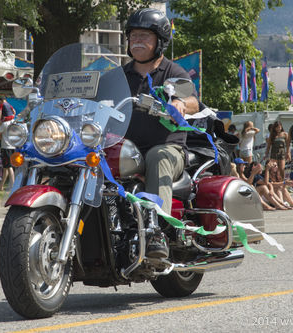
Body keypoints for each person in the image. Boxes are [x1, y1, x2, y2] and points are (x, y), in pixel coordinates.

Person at [123, 8, 199, 258]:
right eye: (133, 35)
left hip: (170, 150)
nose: (137, 41)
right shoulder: (119, 76)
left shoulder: (173, 73)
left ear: (160, 41)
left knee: (157, 156)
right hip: (127, 151)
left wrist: (180, 104)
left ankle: (157, 232)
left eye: (144, 36)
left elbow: (193, 102)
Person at [0, 117, 15, 191]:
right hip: (13, 147)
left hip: (6, 147)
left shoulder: (5, 124)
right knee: (5, 167)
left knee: (9, 166)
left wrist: (0, 137)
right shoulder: (15, 122)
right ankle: (1, 185)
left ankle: (12, 185)